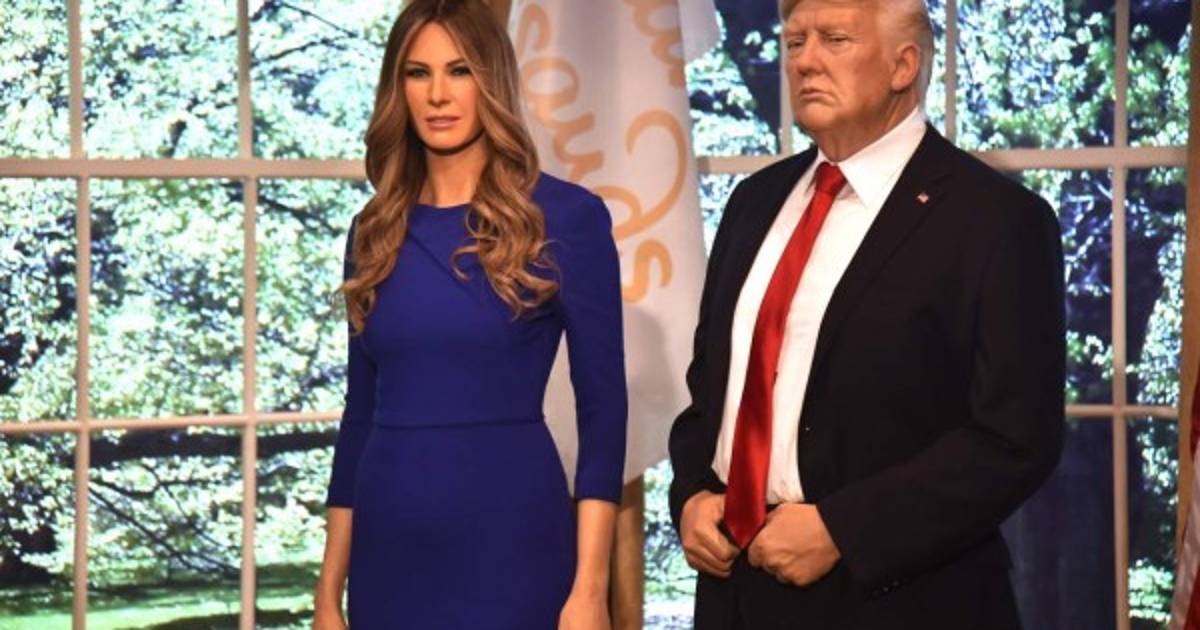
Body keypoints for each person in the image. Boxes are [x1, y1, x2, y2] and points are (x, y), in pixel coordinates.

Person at [668, 0, 1065, 628]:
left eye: (834, 39)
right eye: (795, 42)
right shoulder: (753, 202)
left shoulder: (997, 220)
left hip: (900, 600)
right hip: (734, 593)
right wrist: (691, 493)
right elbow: (712, 392)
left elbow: (1016, 438)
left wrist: (842, 530)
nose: (805, 61)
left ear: (903, 65)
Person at [311, 1, 627, 628]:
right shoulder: (372, 230)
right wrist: (327, 593)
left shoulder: (565, 218)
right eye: (418, 73)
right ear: (397, 88)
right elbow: (359, 415)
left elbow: (604, 412)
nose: (438, 94)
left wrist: (591, 590)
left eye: (459, 71)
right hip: (387, 551)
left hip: (512, 540)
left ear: (493, 80)